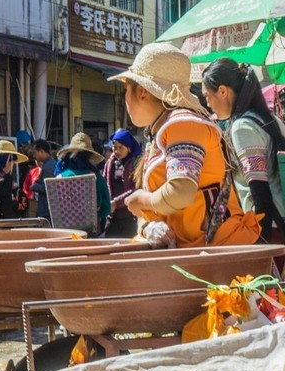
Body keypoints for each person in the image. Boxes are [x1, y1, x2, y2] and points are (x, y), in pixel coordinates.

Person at [108, 43, 260, 248]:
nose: (125, 97)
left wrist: (142, 199)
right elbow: (164, 207)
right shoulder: (162, 131)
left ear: (142, 91)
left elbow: (181, 193)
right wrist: (148, 226)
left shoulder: (184, 125)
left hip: (220, 252)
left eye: (127, 89)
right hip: (195, 254)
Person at [202, 58, 285, 249]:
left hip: (268, 228)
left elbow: (259, 190)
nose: (208, 104)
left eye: (207, 96)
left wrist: (262, 243)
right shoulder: (272, 120)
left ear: (222, 92)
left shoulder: (242, 128)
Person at [55, 132, 111, 234]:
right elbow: (106, 208)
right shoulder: (97, 177)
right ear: (89, 157)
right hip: (90, 231)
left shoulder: (59, 178)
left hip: (64, 231)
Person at [102, 128, 142, 238]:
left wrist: (116, 202)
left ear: (129, 148)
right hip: (112, 217)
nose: (117, 151)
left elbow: (136, 189)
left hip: (130, 217)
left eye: (121, 147)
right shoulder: (110, 163)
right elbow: (105, 183)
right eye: (115, 147)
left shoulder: (136, 164)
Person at [31, 139, 58, 223]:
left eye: (35, 153)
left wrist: (34, 187)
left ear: (41, 151)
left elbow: (49, 187)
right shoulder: (51, 164)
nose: (34, 156)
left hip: (47, 208)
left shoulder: (48, 167)